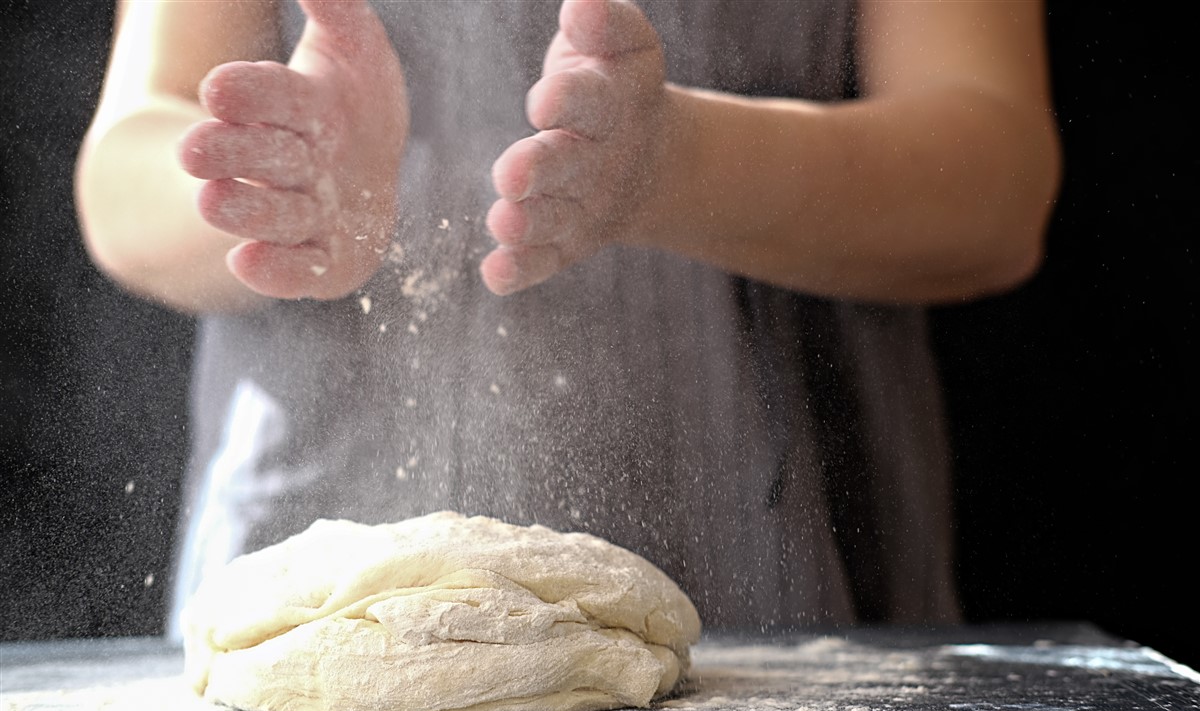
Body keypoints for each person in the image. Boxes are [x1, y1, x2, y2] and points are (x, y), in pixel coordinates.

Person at [75, 0, 1061, 637]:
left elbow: (995, 190)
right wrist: (268, 184)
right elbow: (123, 178)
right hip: (302, 611)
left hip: (783, 606)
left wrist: (678, 166)